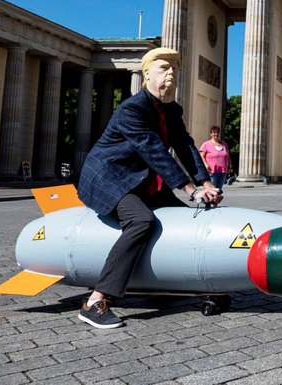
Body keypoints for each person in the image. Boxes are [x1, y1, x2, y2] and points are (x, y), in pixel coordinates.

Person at [76, 47, 222, 329]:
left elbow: (186, 147)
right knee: (141, 221)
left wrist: (206, 183)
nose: (171, 74)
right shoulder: (132, 108)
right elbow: (153, 150)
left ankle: (168, 283)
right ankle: (95, 301)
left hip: (141, 178)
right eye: (164, 68)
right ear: (146, 75)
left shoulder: (171, 111)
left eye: (174, 70)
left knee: (186, 220)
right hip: (111, 177)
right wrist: (190, 188)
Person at [199, 125, 231, 189]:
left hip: (223, 171)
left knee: (219, 190)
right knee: (212, 190)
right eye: (214, 132)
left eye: (217, 132)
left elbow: (227, 156)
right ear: (211, 134)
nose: (216, 134)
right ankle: (207, 199)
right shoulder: (206, 144)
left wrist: (229, 166)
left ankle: (214, 199)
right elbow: (201, 156)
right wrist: (206, 165)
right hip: (212, 171)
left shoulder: (224, 144)